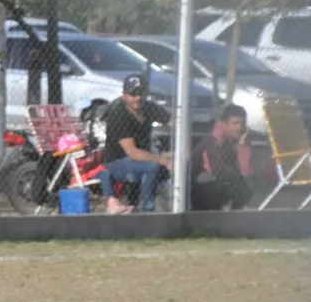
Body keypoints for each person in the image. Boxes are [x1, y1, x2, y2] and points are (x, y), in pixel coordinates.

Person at [96, 74, 172, 214]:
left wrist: (184, 150)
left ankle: (167, 210)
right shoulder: (118, 114)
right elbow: (133, 152)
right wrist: (164, 160)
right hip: (117, 163)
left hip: (139, 161)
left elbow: (174, 121)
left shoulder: (148, 107)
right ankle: (146, 210)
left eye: (141, 93)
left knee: (162, 170)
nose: (138, 98)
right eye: (133, 94)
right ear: (124, 95)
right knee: (153, 167)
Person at [190, 104, 254, 211]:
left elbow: (247, 172)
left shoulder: (233, 141)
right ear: (223, 124)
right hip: (199, 187)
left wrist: (242, 147)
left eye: (242, 123)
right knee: (221, 183)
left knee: (245, 186)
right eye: (235, 123)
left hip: (222, 182)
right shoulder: (212, 142)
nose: (240, 127)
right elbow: (219, 171)